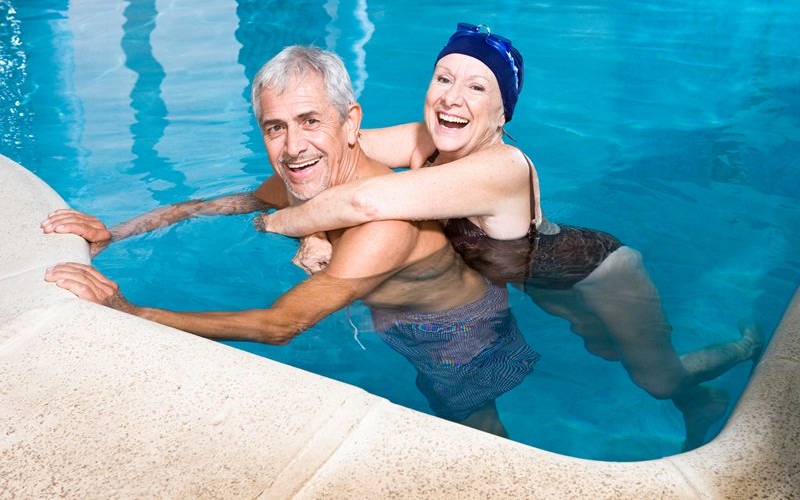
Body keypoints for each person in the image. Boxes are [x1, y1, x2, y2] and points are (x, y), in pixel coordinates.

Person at [256, 24, 763, 451]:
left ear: (502, 113)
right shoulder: (426, 139)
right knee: (610, 353)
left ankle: (741, 349)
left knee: (657, 379)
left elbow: (363, 200)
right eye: (444, 79)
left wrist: (281, 224)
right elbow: (320, 152)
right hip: (534, 286)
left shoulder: (502, 166)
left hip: (599, 277)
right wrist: (318, 230)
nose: (453, 97)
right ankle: (702, 403)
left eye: (477, 88)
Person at [43, 45, 539, 437]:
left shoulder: (385, 227)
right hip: (393, 313)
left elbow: (280, 325)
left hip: (457, 337)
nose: (293, 148)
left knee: (474, 432)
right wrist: (115, 231)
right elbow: (217, 204)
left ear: (351, 124)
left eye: (309, 121)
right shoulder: (306, 173)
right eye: (275, 128)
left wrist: (131, 313)